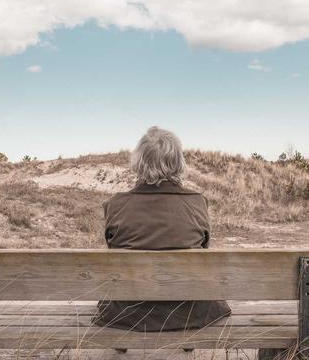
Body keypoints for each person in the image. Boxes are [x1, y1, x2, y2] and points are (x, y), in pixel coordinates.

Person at [92, 126, 232, 334]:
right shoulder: (197, 203)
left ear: (139, 163)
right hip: (189, 312)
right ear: (178, 162)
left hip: (128, 314)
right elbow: (203, 249)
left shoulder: (115, 205)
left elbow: (114, 250)